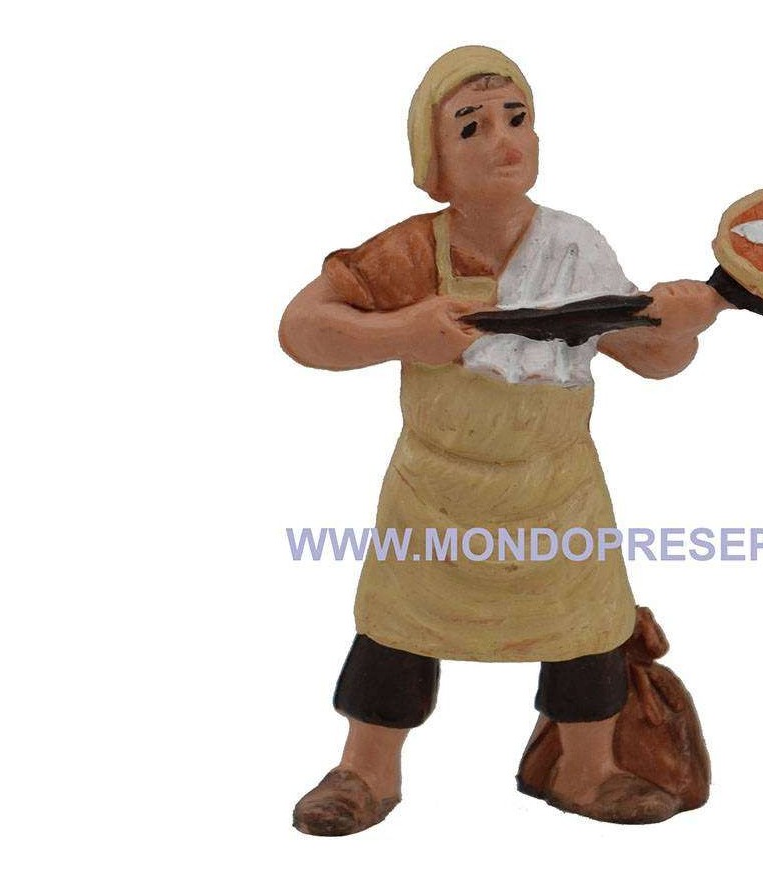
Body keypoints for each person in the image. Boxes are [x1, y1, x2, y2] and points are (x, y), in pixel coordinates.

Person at [280, 46, 726, 833]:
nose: (503, 141)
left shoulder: (575, 250)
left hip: (557, 492)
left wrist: (679, 323)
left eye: (517, 119)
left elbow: (652, 359)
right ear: (435, 163)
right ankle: (366, 770)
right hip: (437, 494)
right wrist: (399, 331)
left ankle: (589, 769)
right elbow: (303, 329)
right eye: (472, 127)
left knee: (588, 634)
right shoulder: (411, 253)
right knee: (395, 634)